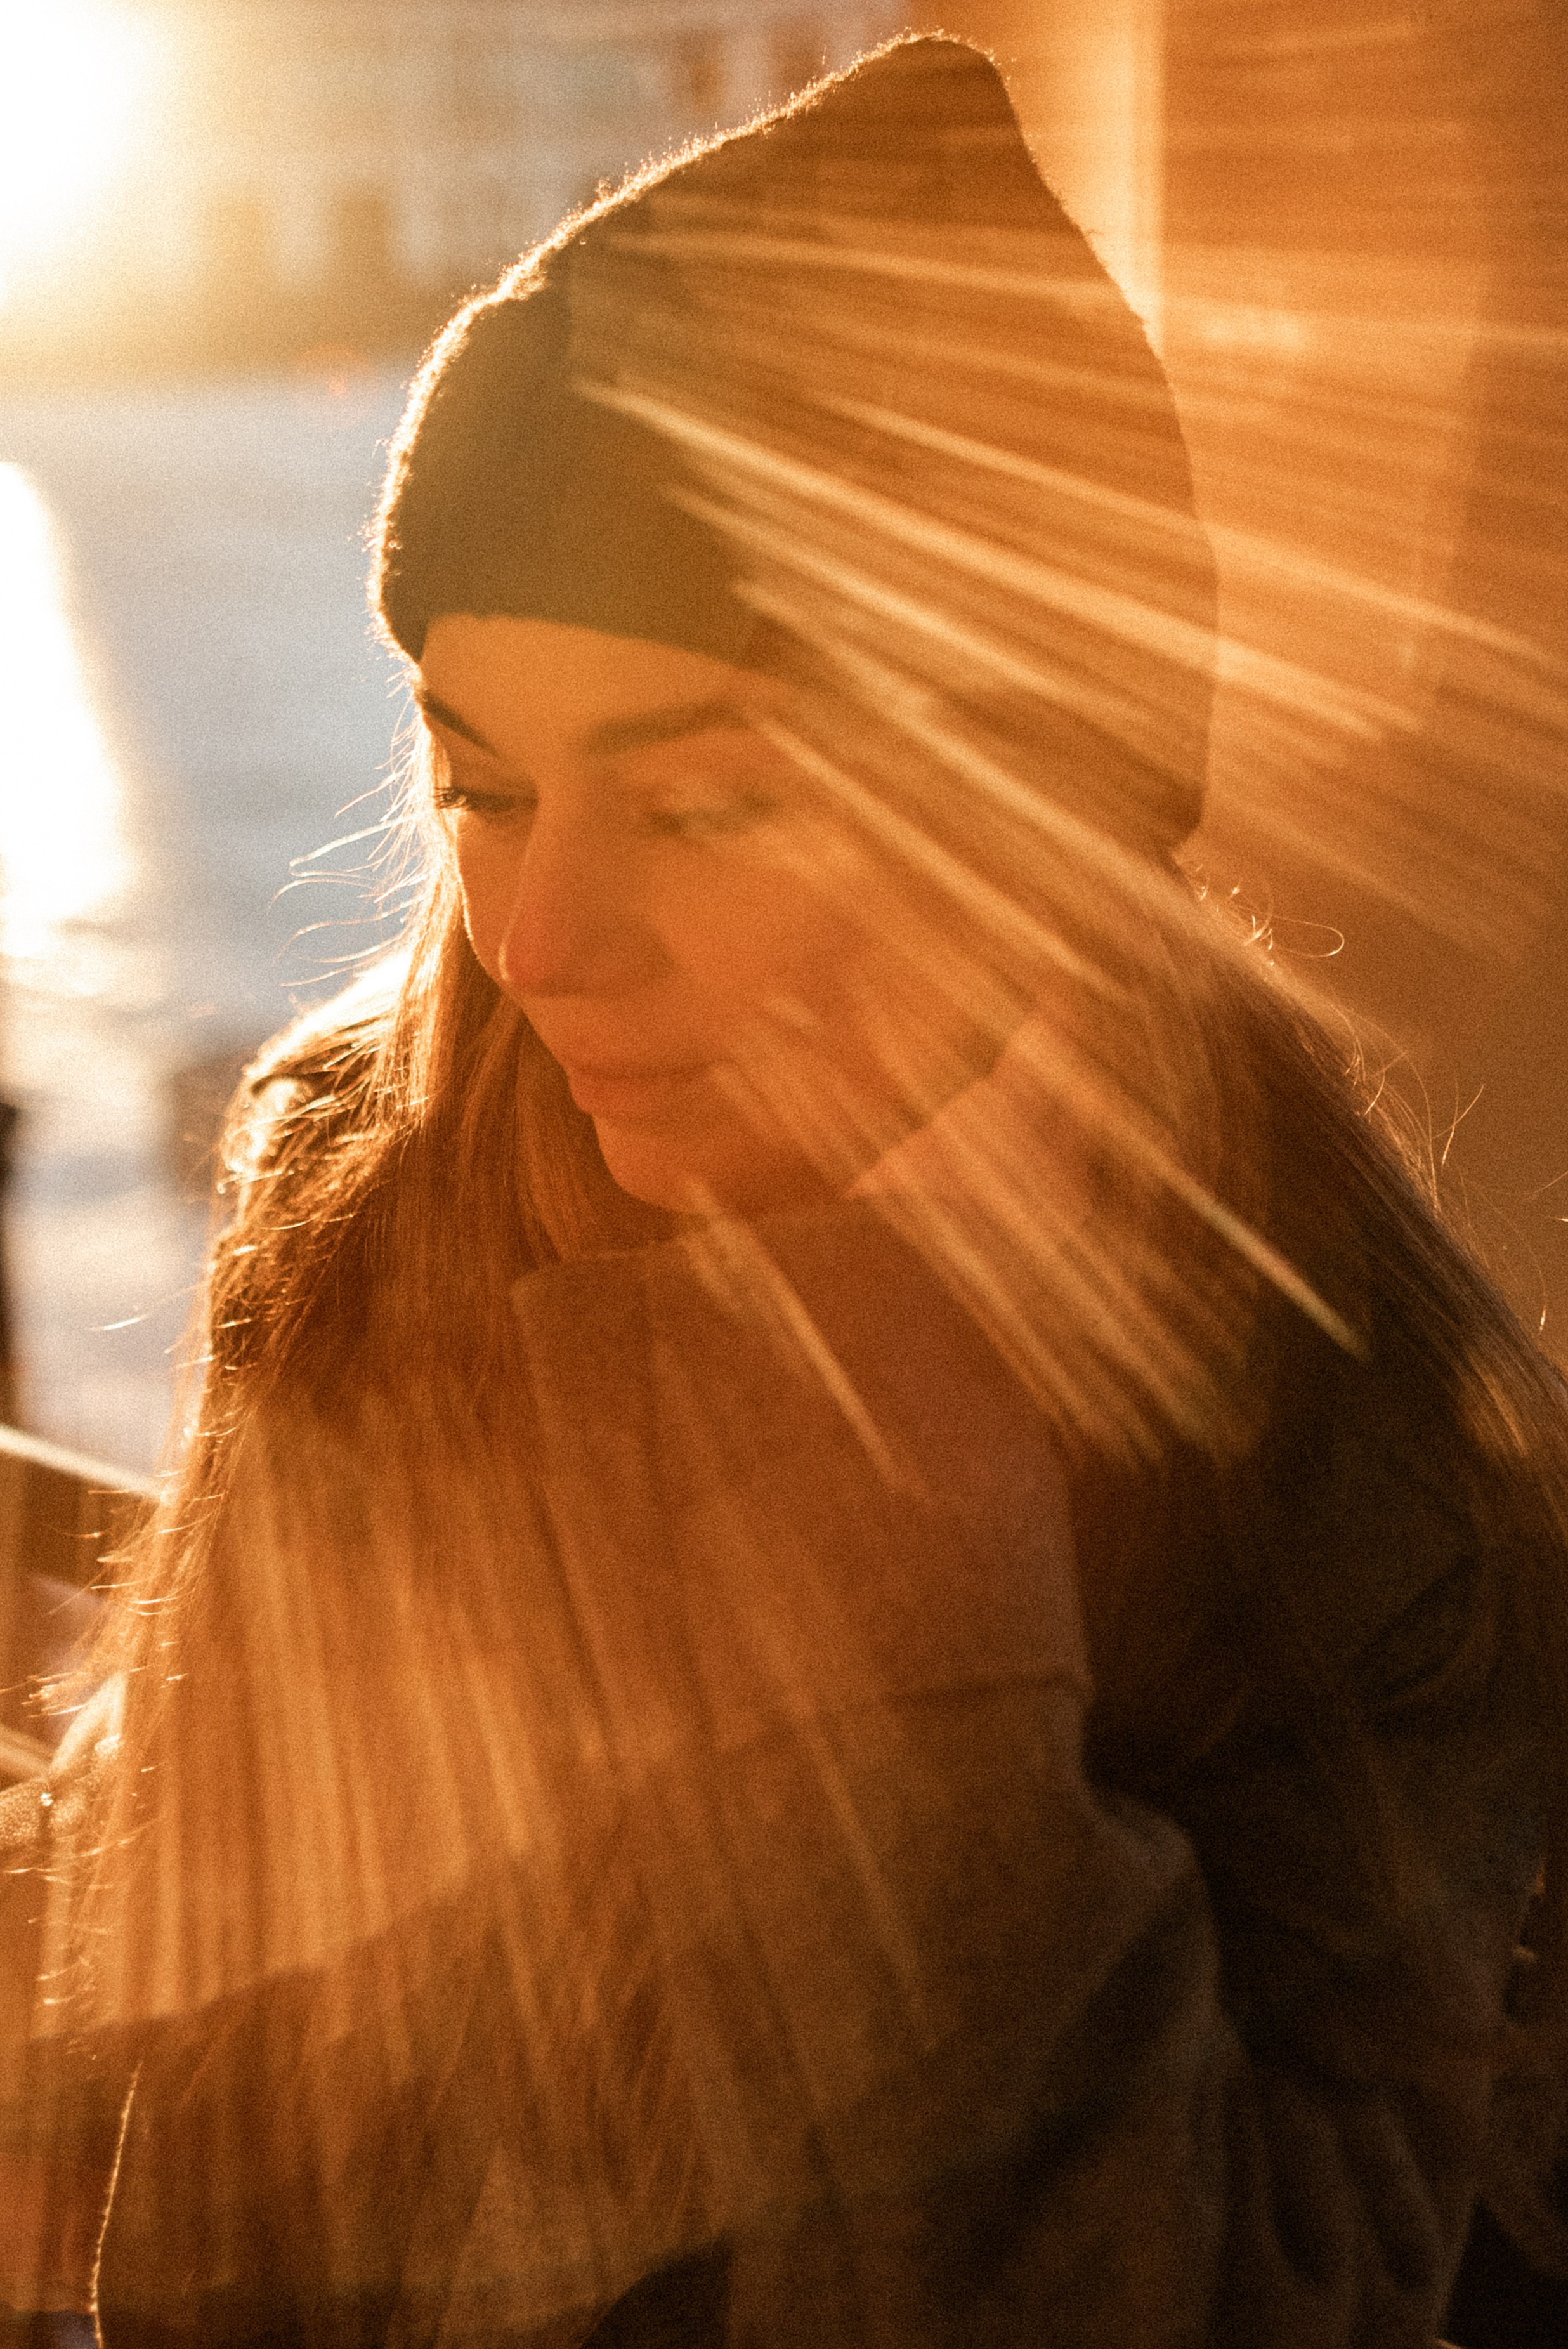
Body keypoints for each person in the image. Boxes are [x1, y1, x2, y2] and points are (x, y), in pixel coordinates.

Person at [5, 32, 1568, 2348]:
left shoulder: (1366, 1450)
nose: (537, 948)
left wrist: (856, 1466)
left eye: (706, 799)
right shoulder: (374, 1199)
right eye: (484, 786)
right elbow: (206, 2181)